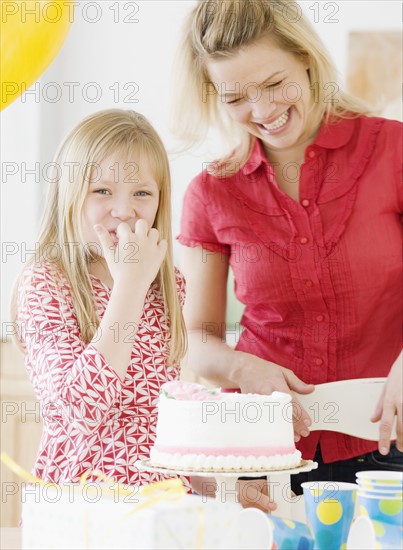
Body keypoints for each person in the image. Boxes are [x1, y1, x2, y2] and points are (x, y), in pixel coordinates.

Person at [172, 0, 403, 504]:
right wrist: (241, 369)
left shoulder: (394, 151)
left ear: (306, 58)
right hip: (262, 452)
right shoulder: (211, 193)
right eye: (235, 96)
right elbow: (197, 338)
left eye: (275, 84)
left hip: (391, 443)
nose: (262, 110)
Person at [12, 109, 188, 486]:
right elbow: (81, 409)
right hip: (84, 504)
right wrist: (129, 286)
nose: (124, 211)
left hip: (163, 504)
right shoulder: (47, 285)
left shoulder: (169, 285)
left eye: (142, 192)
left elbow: (159, 416)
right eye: (102, 191)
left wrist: (211, 484)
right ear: (70, 195)